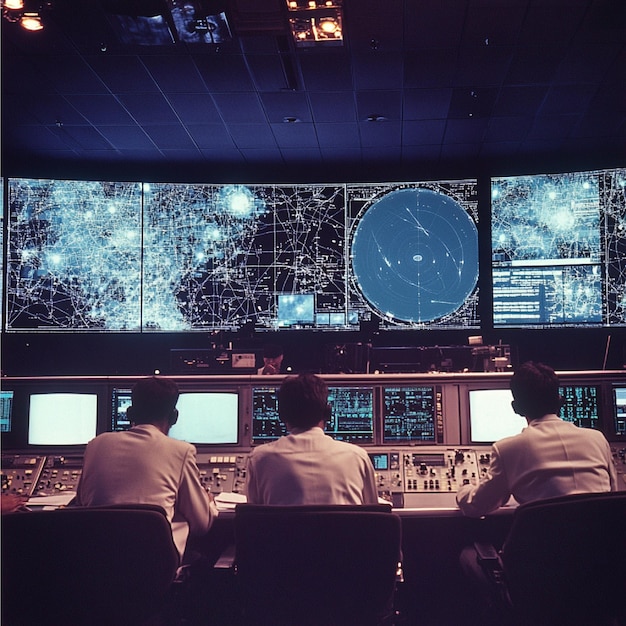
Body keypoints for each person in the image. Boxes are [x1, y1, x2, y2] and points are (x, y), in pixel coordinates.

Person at [75, 376, 218, 563]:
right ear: (174, 417)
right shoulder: (181, 450)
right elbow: (201, 525)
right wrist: (208, 503)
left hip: (99, 562)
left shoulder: (95, 445)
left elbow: (80, 503)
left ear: (129, 413)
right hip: (155, 568)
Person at [456, 361, 617, 517]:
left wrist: (463, 490)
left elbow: (477, 505)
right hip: (599, 543)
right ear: (560, 401)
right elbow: (612, 497)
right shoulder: (598, 440)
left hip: (546, 544)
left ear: (516, 408)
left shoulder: (506, 449)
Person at [245, 373, 379, 505]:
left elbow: (253, 520)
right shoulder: (357, 457)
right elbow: (373, 516)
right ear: (327, 414)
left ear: (282, 415)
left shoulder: (259, 459)